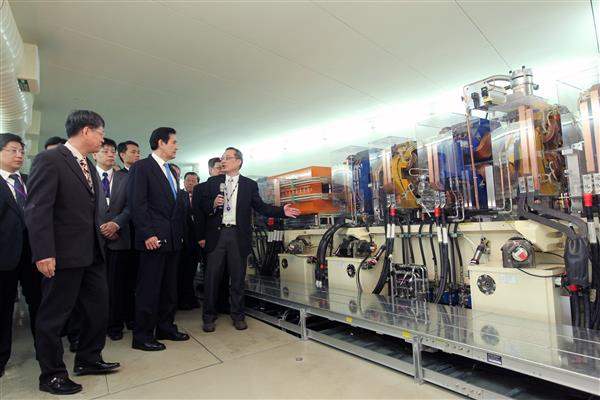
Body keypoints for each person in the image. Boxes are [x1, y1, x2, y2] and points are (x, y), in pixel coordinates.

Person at [25, 110, 120, 395]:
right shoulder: (50, 159)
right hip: (63, 254)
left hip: (92, 253)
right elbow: (38, 209)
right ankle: (51, 375)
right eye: (101, 133)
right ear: (86, 131)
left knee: (98, 308)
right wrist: (43, 252)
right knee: (54, 316)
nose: (103, 140)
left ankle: (89, 359)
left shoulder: (87, 164)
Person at [200, 147, 300, 332]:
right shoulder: (213, 182)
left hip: (238, 235)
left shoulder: (249, 185)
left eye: (227, 158)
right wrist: (212, 204)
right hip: (217, 235)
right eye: (222, 158)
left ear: (238, 161)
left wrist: (281, 211)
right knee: (212, 278)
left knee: (238, 278)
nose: (223, 161)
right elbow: (202, 206)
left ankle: (238, 316)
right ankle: (208, 317)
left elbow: (261, 207)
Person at [128, 127, 189, 352]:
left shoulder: (171, 171)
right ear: (161, 143)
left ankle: (165, 327)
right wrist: (147, 233)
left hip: (172, 239)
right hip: (153, 238)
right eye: (174, 142)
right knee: (149, 289)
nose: (177, 146)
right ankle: (142, 335)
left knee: (169, 288)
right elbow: (137, 203)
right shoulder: (142, 167)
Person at [0, 133, 41, 378]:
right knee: (3, 309)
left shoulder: (28, 181)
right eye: (13, 150)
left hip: (33, 256)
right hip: (4, 257)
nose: (19, 155)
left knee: (39, 304)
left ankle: (44, 350)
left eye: (22, 151)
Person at [93, 138, 131, 341]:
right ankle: (94, 327)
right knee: (93, 287)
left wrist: (116, 224)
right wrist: (102, 228)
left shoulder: (126, 178)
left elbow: (131, 206)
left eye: (112, 151)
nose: (110, 154)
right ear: (94, 154)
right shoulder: (86, 176)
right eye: (105, 150)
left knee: (118, 286)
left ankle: (115, 325)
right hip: (93, 240)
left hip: (119, 238)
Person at [192, 158, 229, 312]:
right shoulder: (200, 188)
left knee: (226, 272)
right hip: (209, 236)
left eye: (223, 167)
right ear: (210, 170)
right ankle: (211, 307)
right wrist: (201, 237)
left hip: (228, 236)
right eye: (218, 167)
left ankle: (224, 304)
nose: (221, 170)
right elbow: (198, 215)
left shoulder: (230, 185)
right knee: (211, 273)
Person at [116, 140, 141, 329]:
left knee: (137, 280)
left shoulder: (143, 174)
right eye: (133, 152)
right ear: (122, 155)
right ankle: (117, 319)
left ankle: (133, 317)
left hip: (141, 235)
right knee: (120, 281)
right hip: (121, 235)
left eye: (138, 152)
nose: (137, 155)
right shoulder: (117, 177)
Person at [178, 171, 200, 310]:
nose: (191, 183)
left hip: (196, 241)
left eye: (193, 180)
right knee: (180, 271)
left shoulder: (201, 196)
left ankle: (190, 298)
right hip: (181, 240)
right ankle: (181, 300)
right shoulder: (178, 195)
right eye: (188, 180)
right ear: (184, 182)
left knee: (192, 271)